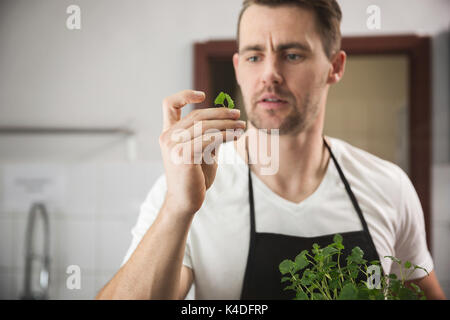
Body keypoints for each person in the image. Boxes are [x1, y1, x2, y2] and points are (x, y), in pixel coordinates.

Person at [96, 0, 446, 300]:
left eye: (292, 54)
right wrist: (178, 208)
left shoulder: (388, 185)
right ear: (237, 68)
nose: (270, 74)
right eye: (254, 56)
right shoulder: (187, 194)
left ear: (335, 67)